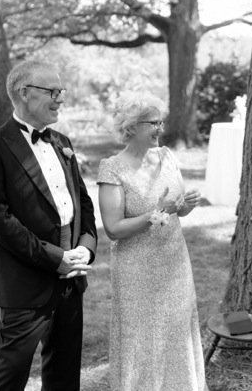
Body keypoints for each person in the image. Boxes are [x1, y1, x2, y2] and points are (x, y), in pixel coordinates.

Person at [0, 60, 98, 391]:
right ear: (24, 93)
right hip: (24, 281)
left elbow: (82, 202)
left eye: (61, 91)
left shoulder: (61, 142)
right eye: (52, 91)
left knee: (65, 375)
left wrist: (86, 247)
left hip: (72, 279)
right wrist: (55, 257)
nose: (60, 98)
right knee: (10, 376)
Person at [97, 93, 207, 391]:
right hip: (136, 265)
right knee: (141, 336)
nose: (160, 128)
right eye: (153, 122)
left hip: (173, 258)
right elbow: (113, 228)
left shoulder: (167, 156)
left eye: (161, 121)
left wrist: (187, 204)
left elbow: (177, 208)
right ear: (131, 127)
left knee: (176, 329)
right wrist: (156, 213)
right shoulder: (112, 168)